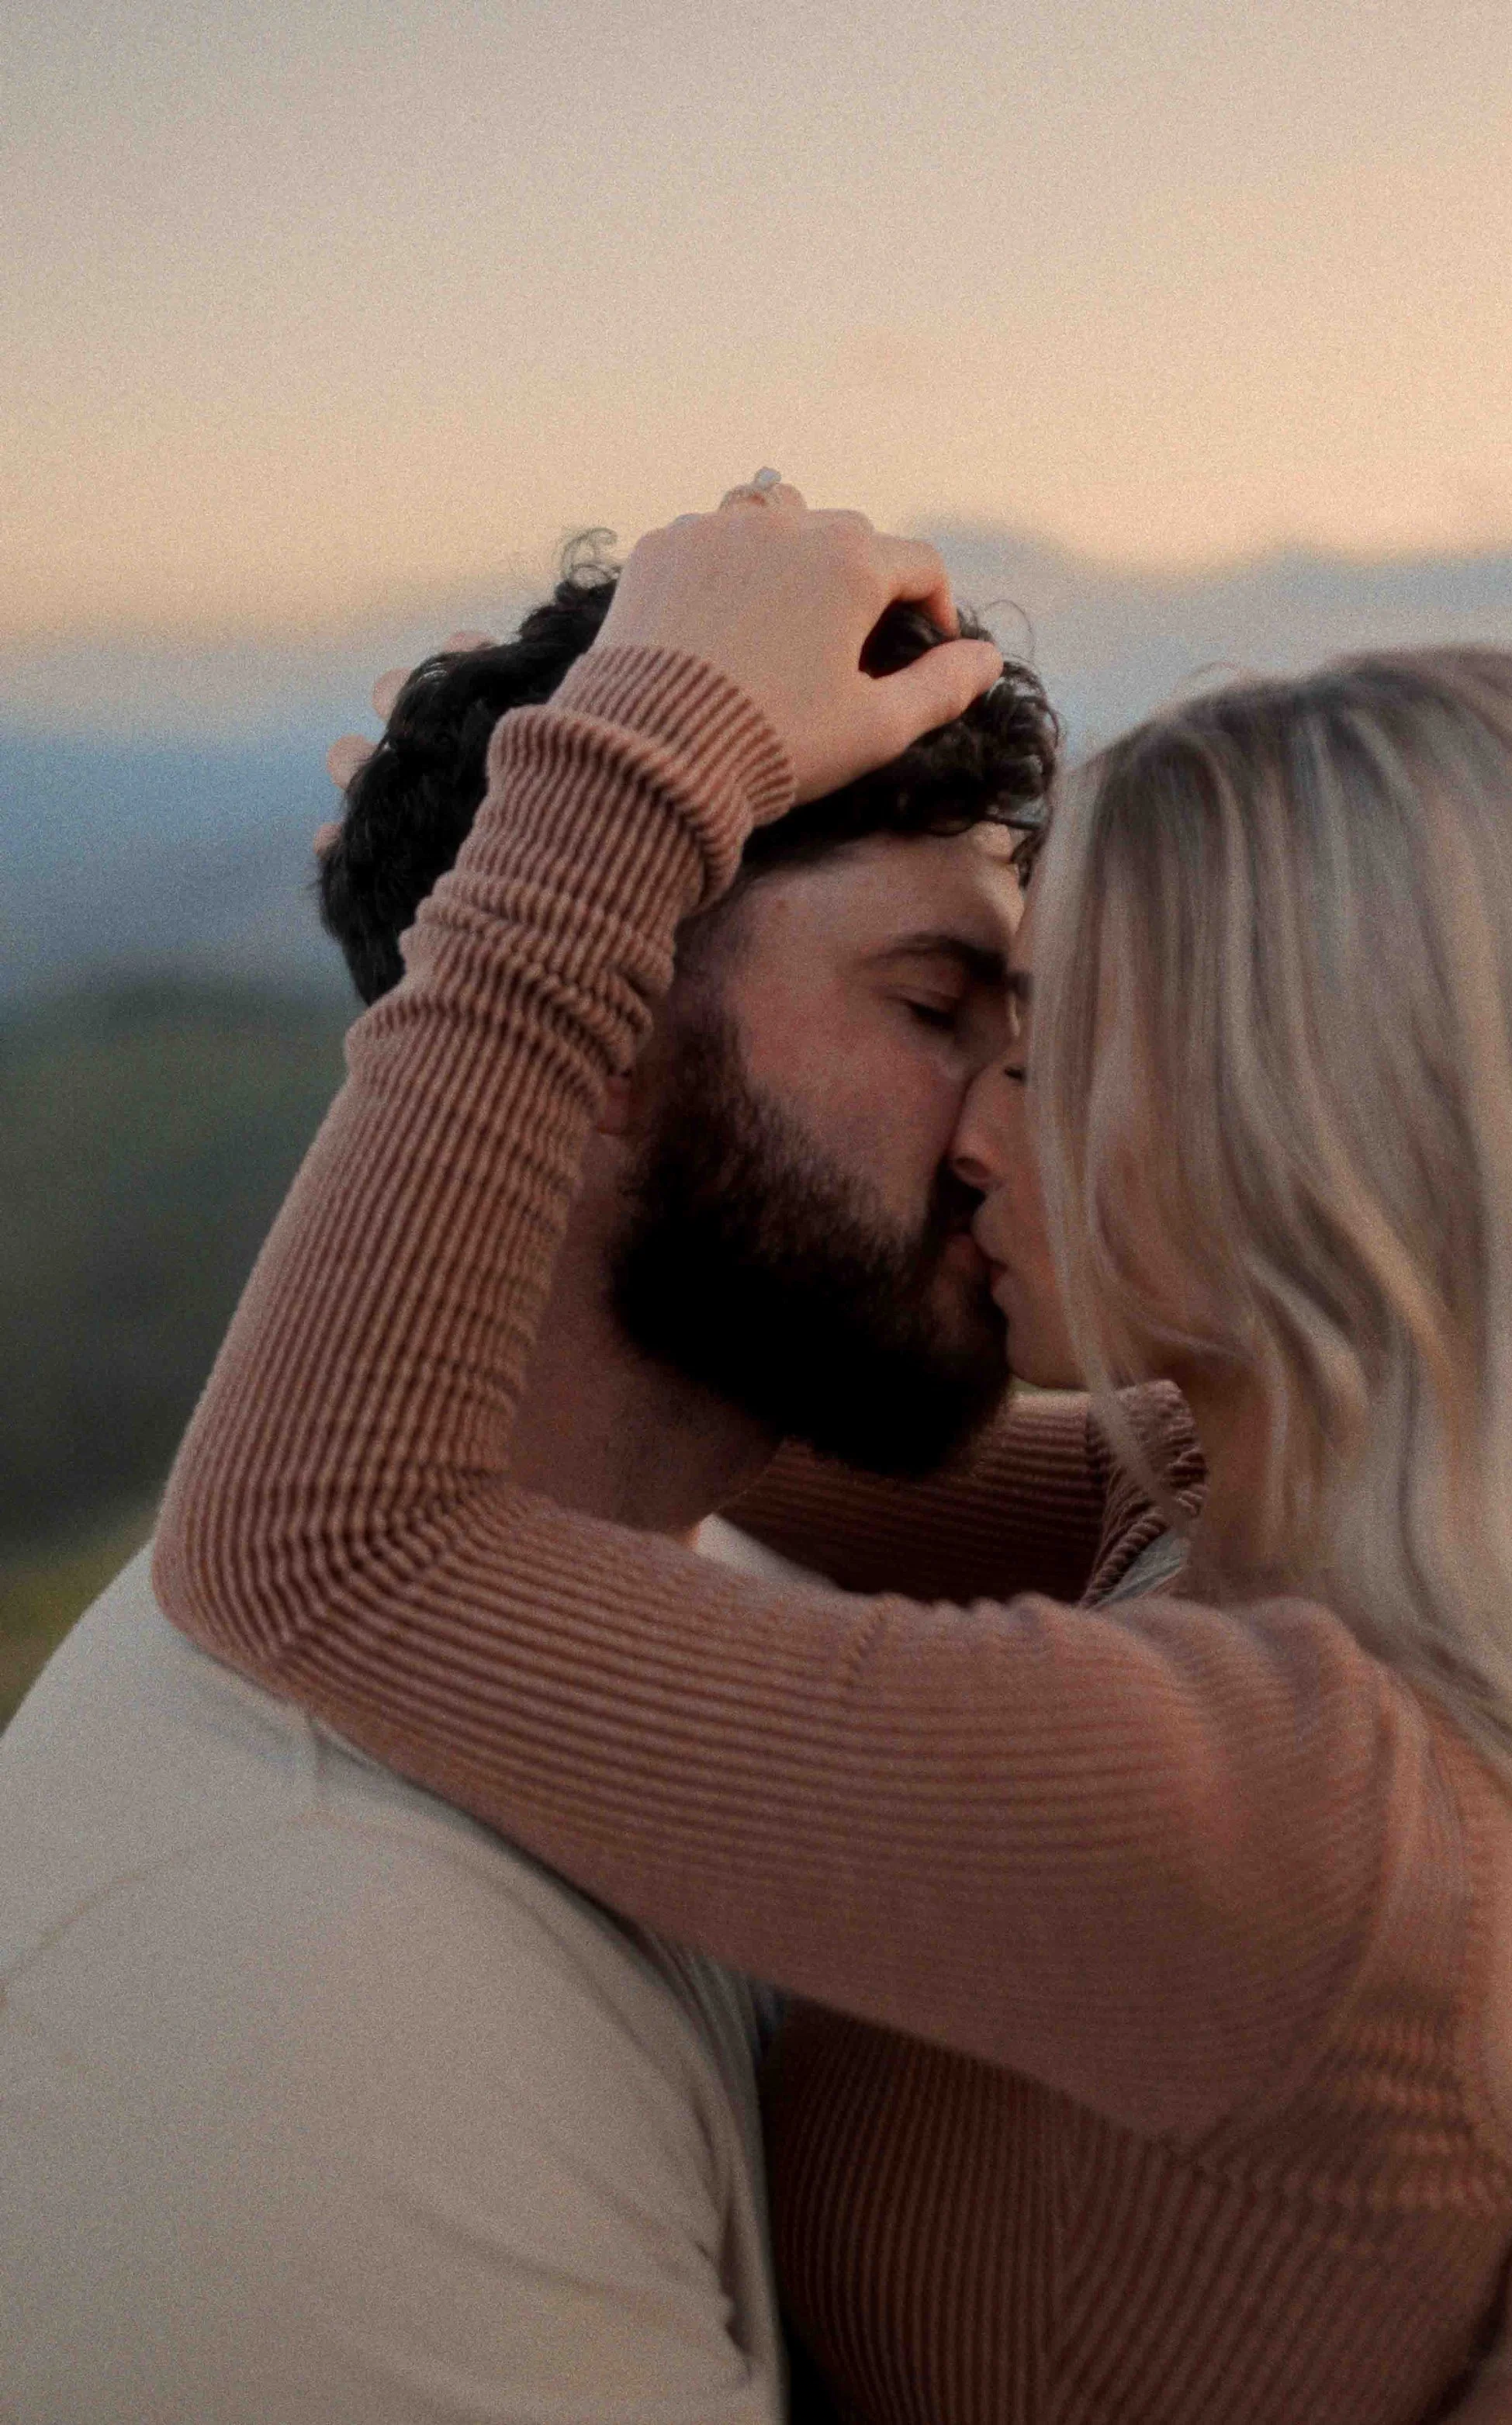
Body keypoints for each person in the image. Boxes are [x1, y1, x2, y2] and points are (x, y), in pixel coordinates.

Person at [149, 486, 1512, 2420]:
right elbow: (678, 1376)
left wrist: (623, 779)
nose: (981, 1128)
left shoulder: (1276, 1808)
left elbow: (322, 1534)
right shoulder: (1277, 1524)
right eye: (948, 1018)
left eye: (1049, 1035)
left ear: (1305, 1123)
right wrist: (480, 912)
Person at [0, 548, 1057, 2425]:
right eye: (931, 1005)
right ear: (597, 1015)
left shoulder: (705, 1568)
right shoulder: (318, 1985)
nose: (1008, 1131)